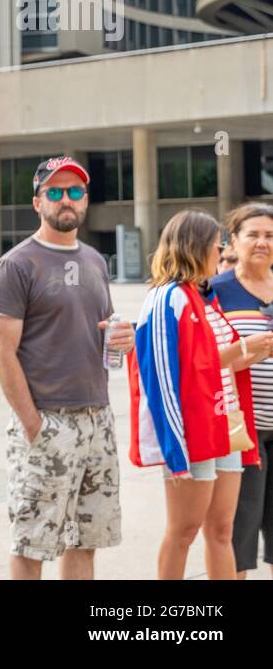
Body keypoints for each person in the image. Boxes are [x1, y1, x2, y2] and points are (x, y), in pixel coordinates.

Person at [0, 155, 135, 579]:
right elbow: (1, 353)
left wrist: (120, 337)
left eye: (75, 191)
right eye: (55, 192)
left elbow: (102, 330)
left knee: (87, 542)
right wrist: (34, 426)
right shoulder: (17, 265)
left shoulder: (94, 261)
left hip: (97, 421)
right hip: (47, 422)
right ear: (38, 203)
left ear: (85, 200)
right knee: (32, 542)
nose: (66, 199)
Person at [130, 209, 270, 580]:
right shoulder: (166, 298)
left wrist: (252, 351)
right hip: (192, 434)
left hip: (224, 427)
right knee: (183, 532)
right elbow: (163, 378)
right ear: (196, 247)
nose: (221, 251)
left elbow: (213, 365)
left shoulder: (202, 297)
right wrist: (174, 450)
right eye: (217, 244)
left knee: (221, 531)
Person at [205, 204, 273, 578]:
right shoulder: (214, 292)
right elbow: (197, 360)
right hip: (239, 433)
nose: (262, 242)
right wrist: (245, 351)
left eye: (270, 235)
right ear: (234, 241)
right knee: (235, 534)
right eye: (253, 234)